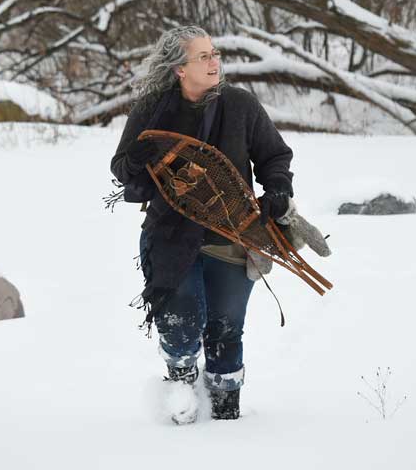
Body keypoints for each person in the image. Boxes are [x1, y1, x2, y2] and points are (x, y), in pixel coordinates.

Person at [109, 25, 294, 423]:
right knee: (180, 323)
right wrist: (137, 160)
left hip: (232, 234)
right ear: (179, 69)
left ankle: (226, 416)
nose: (215, 62)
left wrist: (277, 190)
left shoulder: (239, 105)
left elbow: (274, 156)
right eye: (203, 57)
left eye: (215, 54)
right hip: (171, 235)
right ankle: (181, 402)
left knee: (226, 328)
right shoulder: (152, 109)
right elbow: (124, 172)